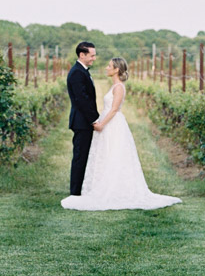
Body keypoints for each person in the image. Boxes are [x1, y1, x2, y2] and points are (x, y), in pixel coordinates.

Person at [61, 57, 182, 212]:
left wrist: (101, 124)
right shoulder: (114, 86)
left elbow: (114, 109)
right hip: (106, 124)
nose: (106, 67)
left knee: (114, 155)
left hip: (112, 125)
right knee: (105, 155)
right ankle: (101, 185)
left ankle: (114, 189)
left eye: (109, 65)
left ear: (116, 69)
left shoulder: (119, 87)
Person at [66, 40, 100, 196]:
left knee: (84, 156)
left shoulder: (83, 70)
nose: (94, 58)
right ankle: (75, 193)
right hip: (82, 123)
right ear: (82, 55)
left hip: (84, 122)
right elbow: (82, 100)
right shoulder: (77, 73)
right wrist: (95, 120)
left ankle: (81, 189)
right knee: (80, 157)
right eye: (91, 55)